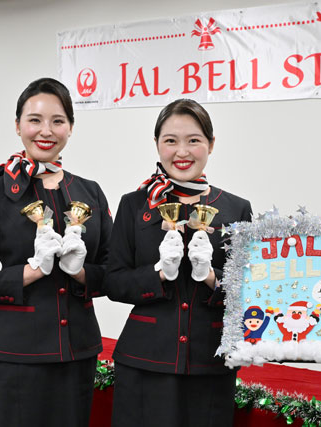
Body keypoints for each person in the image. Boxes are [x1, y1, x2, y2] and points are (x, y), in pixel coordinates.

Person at [0, 77, 112, 426]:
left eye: (58, 120)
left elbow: (112, 274)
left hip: (76, 355)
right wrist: (33, 271)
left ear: (70, 127)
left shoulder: (90, 192)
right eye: (35, 120)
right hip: (15, 357)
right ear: (18, 125)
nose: (46, 131)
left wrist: (79, 271)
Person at [105, 99, 252, 427]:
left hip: (210, 364)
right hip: (144, 360)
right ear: (157, 144)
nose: (181, 151)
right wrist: (159, 273)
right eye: (170, 140)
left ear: (211, 144)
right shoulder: (135, 205)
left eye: (193, 140)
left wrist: (211, 276)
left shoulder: (236, 209)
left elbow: (249, 291)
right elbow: (113, 282)